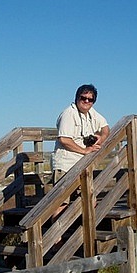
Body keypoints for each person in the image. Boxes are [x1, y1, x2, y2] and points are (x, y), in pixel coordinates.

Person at [50, 84, 110, 224]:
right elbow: (64, 139)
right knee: (61, 204)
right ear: (77, 98)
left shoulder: (92, 113)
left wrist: (101, 138)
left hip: (82, 166)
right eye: (83, 98)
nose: (87, 101)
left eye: (91, 99)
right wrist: (84, 150)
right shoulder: (68, 114)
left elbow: (106, 128)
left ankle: (83, 236)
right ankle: (56, 242)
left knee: (90, 200)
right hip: (65, 164)